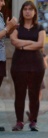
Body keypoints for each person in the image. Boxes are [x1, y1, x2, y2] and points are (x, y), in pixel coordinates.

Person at [10, 1, 46, 131]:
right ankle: (19, 121)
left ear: (35, 12)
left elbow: (40, 44)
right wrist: (32, 43)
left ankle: (33, 121)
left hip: (36, 65)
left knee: (34, 94)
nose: (28, 11)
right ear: (22, 12)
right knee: (19, 94)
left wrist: (23, 45)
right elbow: (14, 41)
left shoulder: (40, 28)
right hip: (18, 65)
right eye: (25, 9)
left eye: (30, 9)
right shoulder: (17, 28)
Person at [0, 0, 18, 131]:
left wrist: (9, 28)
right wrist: (7, 28)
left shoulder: (0, 15)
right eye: (0, 0)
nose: (3, 4)